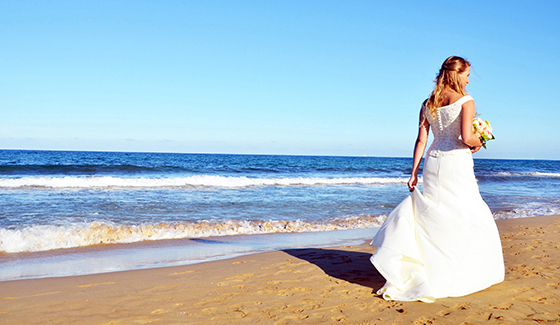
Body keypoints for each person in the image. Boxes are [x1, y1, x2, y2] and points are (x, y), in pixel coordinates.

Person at [370, 56, 504, 303]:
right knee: (466, 213)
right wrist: (482, 138)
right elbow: (466, 137)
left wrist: (413, 172)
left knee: (436, 212)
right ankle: (457, 272)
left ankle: (431, 267)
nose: (468, 79)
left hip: (433, 162)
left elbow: (421, 140)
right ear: (457, 74)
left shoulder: (428, 103)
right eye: (467, 75)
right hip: (456, 162)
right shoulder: (466, 101)